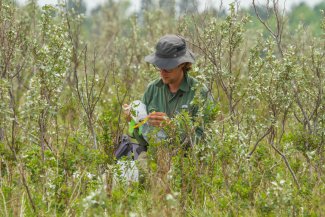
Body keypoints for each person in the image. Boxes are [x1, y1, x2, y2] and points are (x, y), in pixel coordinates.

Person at [123, 34, 213, 152]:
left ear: (182, 64)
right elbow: (144, 143)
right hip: (156, 164)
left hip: (188, 165)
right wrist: (133, 121)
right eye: (160, 67)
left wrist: (173, 128)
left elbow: (206, 142)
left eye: (168, 68)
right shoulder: (152, 90)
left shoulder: (199, 92)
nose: (162, 72)